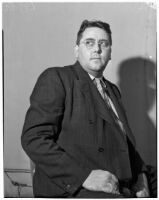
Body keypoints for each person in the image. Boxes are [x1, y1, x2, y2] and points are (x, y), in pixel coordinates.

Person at [21, 19, 151, 198]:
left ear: (110, 53)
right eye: (89, 43)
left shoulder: (113, 90)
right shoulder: (57, 78)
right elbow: (33, 139)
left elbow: (124, 143)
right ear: (76, 50)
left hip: (120, 184)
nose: (97, 49)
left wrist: (141, 177)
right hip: (75, 188)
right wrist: (84, 176)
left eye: (103, 44)